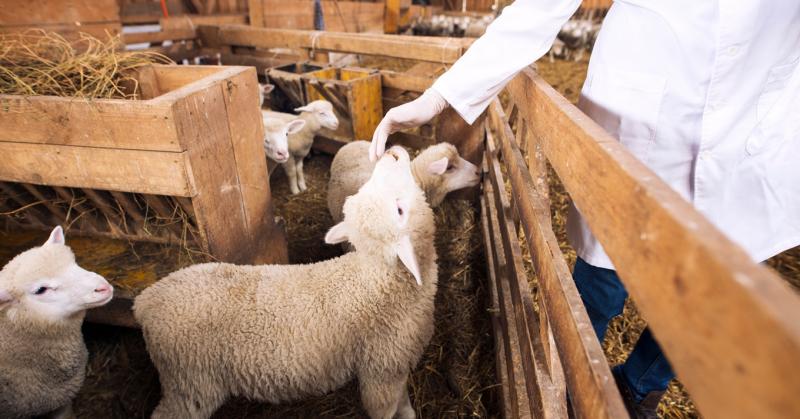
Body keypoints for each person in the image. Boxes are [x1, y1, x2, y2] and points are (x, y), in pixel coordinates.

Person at [368, 1, 800, 417]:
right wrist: (440, 96)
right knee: (602, 280)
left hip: (755, 126)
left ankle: (640, 387)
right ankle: (576, 389)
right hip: (642, 120)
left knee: (715, 299)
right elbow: (541, 7)